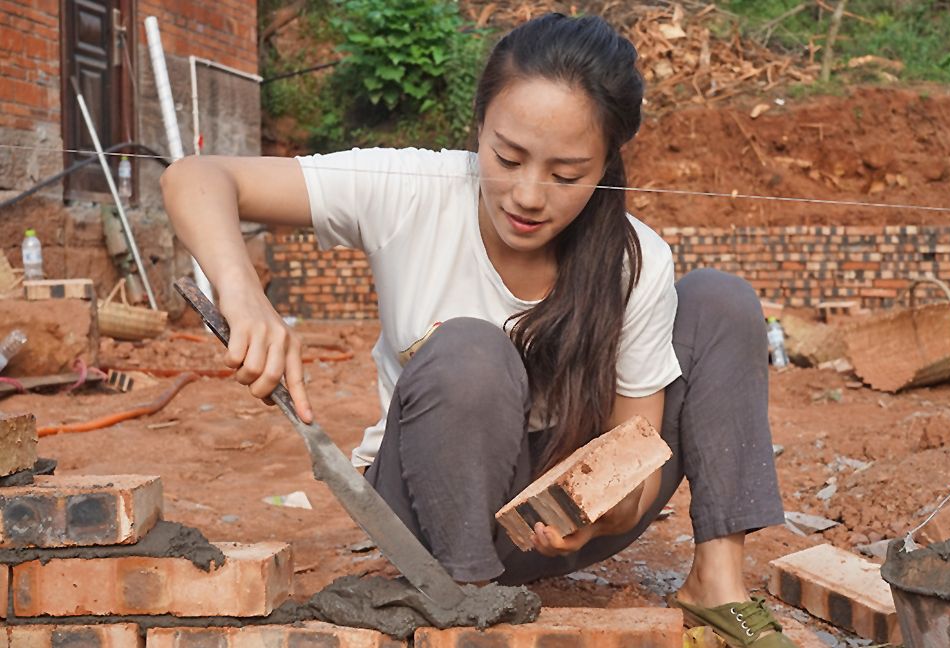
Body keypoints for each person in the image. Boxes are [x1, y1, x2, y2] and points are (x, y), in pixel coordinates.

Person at [161, 13, 794, 647]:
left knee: (720, 300)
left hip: (556, 528)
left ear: (606, 162)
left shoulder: (636, 261)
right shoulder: (413, 190)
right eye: (507, 156)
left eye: (566, 175)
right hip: (427, 518)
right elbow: (195, 178)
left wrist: (596, 517)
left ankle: (718, 582)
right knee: (470, 349)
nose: (527, 194)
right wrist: (242, 294)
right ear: (479, 126)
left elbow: (635, 461)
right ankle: (467, 614)